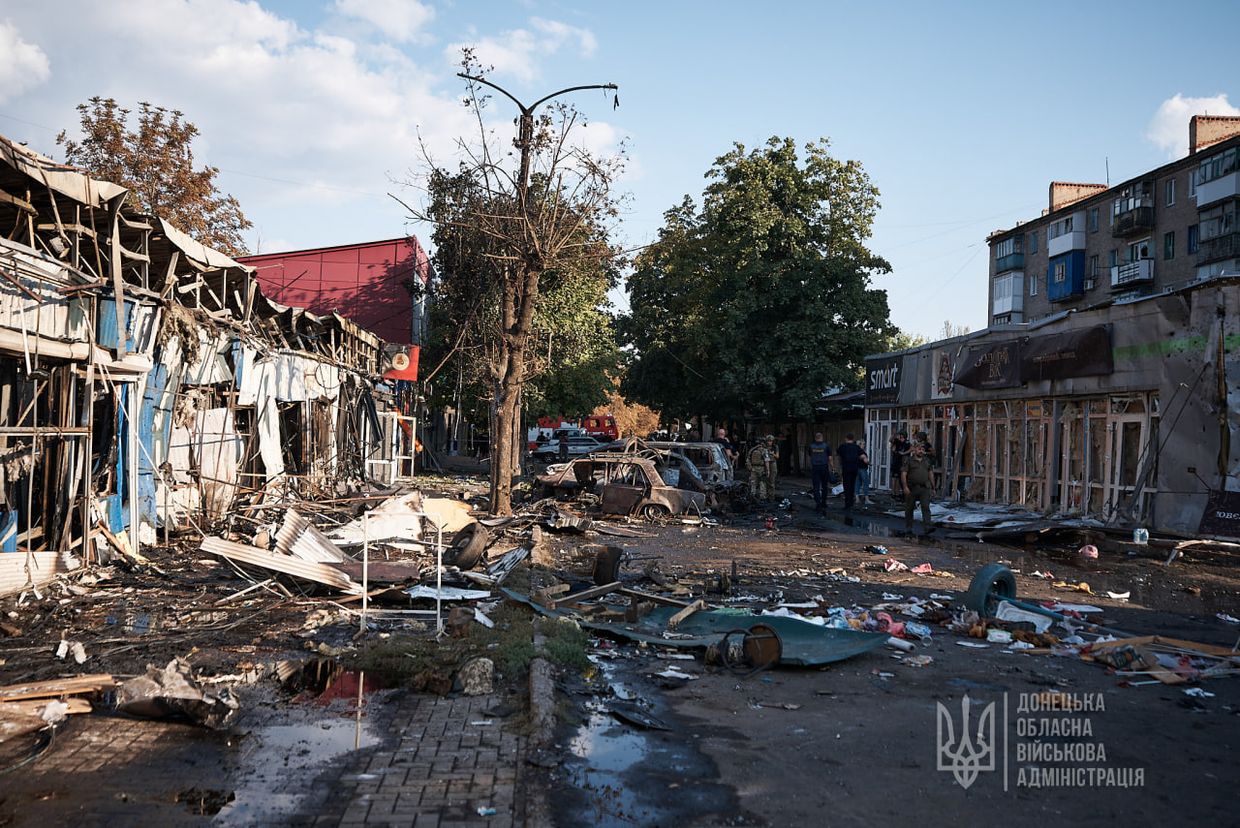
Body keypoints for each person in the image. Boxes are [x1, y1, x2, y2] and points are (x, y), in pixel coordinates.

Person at [902, 441, 934, 535]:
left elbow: (930, 473)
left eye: (923, 449)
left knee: (925, 506)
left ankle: (927, 527)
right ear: (915, 450)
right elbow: (904, 474)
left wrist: (933, 487)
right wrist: (905, 487)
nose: (921, 451)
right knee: (909, 508)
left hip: (924, 487)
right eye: (919, 449)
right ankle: (909, 527)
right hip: (912, 488)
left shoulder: (927, 461)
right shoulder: (909, 461)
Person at [836, 433, 864, 512]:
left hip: (846, 468)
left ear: (846, 438)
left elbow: (838, 455)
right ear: (853, 438)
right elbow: (862, 455)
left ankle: (847, 504)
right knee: (852, 485)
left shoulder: (842, 446)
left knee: (846, 485)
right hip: (854, 468)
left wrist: (839, 465)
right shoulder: (856, 447)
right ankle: (851, 503)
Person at [806, 432, 833, 512]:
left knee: (816, 486)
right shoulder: (826, 446)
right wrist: (832, 467)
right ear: (822, 437)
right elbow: (830, 458)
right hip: (824, 467)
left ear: (815, 438)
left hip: (815, 467)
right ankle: (824, 502)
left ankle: (818, 503)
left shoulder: (811, 446)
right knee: (824, 486)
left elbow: (810, 455)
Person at [748, 435, 776, 502]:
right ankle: (762, 498)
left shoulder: (752, 449)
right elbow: (766, 461)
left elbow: (748, 458)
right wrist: (768, 470)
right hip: (761, 468)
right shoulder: (764, 450)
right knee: (762, 483)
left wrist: (750, 467)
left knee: (753, 484)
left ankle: (752, 496)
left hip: (753, 468)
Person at [890, 431, 910, 497]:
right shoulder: (897, 441)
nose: (900, 437)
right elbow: (891, 441)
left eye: (901, 436)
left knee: (898, 478)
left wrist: (904, 453)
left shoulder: (906, 443)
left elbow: (911, 449)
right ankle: (894, 493)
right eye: (899, 436)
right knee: (894, 478)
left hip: (900, 462)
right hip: (896, 462)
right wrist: (894, 434)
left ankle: (897, 493)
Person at [855, 439, 871, 506]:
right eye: (863, 444)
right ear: (860, 445)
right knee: (865, 483)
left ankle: (857, 499)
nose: (864, 445)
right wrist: (869, 463)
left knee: (857, 484)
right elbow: (865, 460)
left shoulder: (855, 451)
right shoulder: (862, 452)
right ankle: (867, 499)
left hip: (856, 469)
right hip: (863, 469)